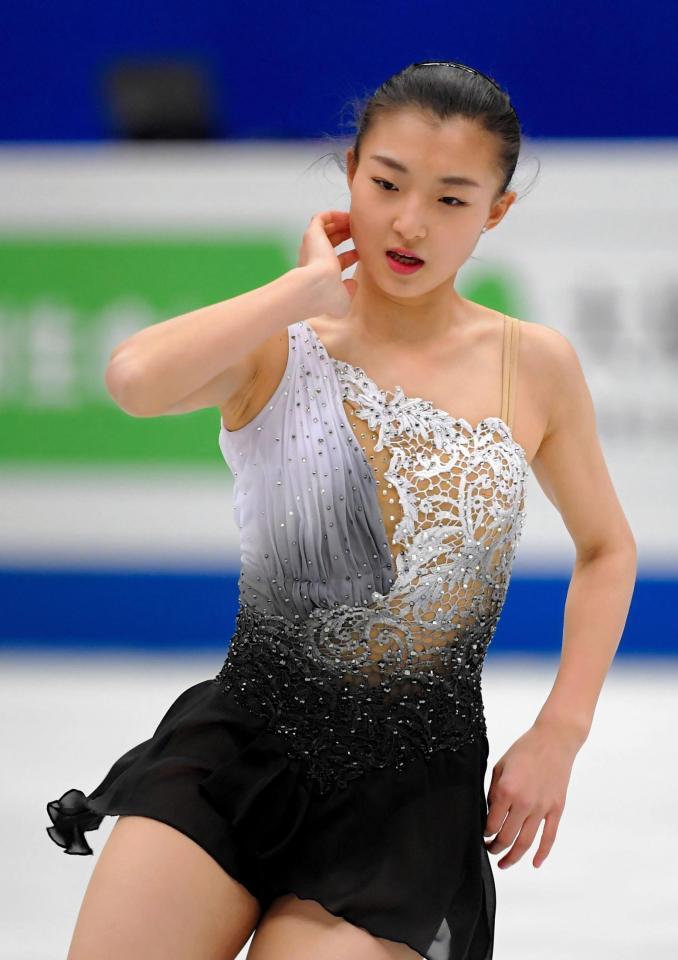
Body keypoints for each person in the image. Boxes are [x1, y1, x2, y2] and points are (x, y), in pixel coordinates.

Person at [45, 60, 637, 960]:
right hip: (234, 753)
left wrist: (562, 729)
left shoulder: (534, 365)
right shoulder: (281, 343)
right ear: (350, 174)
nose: (409, 222)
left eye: (450, 198)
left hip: (404, 804)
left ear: (496, 212)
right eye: (387, 183)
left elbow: (607, 549)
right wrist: (301, 291)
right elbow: (132, 381)